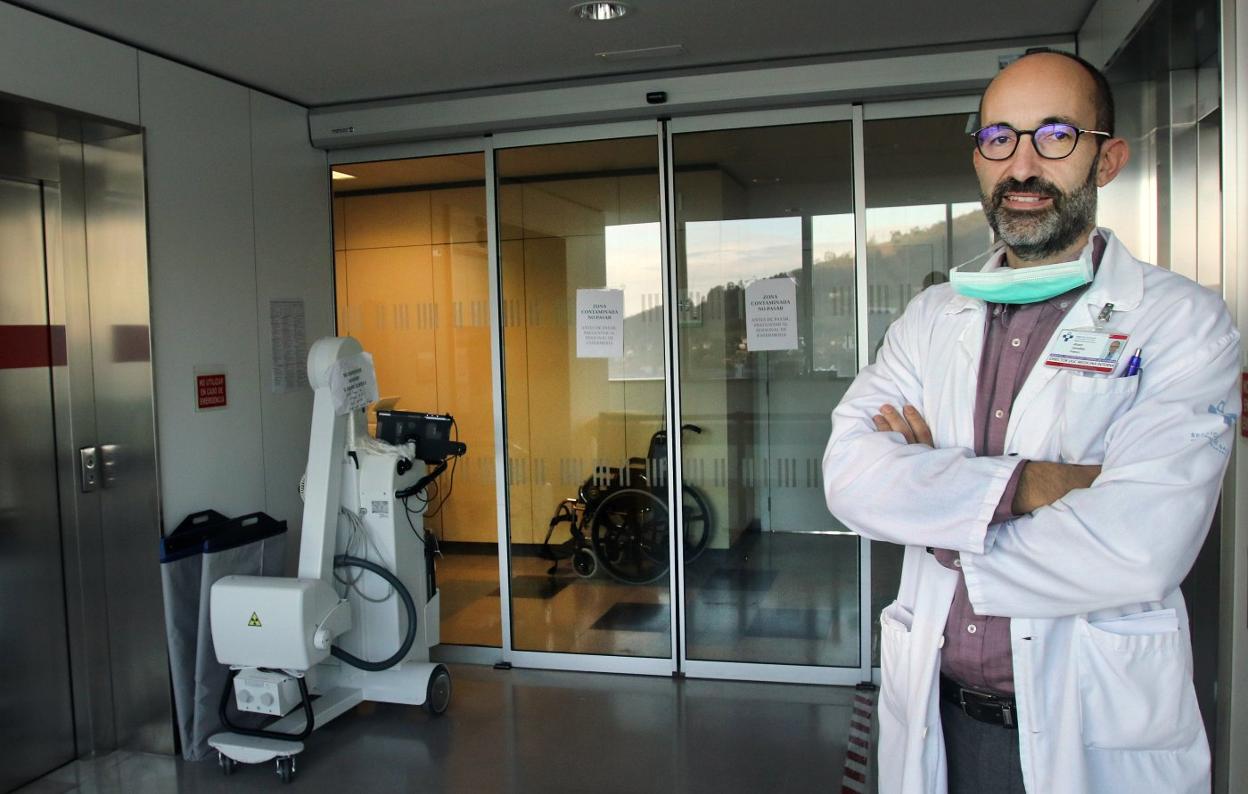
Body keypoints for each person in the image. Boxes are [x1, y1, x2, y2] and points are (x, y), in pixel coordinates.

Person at [822, 49, 1239, 794]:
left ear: (1106, 160)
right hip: (939, 719)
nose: (1021, 166)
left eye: (1054, 137)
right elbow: (849, 476)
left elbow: (1141, 546)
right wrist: (1038, 483)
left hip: (1093, 721)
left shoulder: (1182, 322)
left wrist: (936, 509)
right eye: (998, 140)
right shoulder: (931, 316)